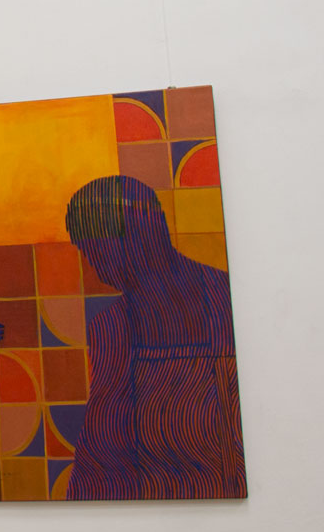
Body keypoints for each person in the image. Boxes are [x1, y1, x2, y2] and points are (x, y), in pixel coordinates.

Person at [64, 175, 245, 499]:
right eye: (87, 252)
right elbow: (100, 453)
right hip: (146, 505)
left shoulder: (225, 300)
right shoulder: (111, 326)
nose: (94, 266)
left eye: (92, 250)